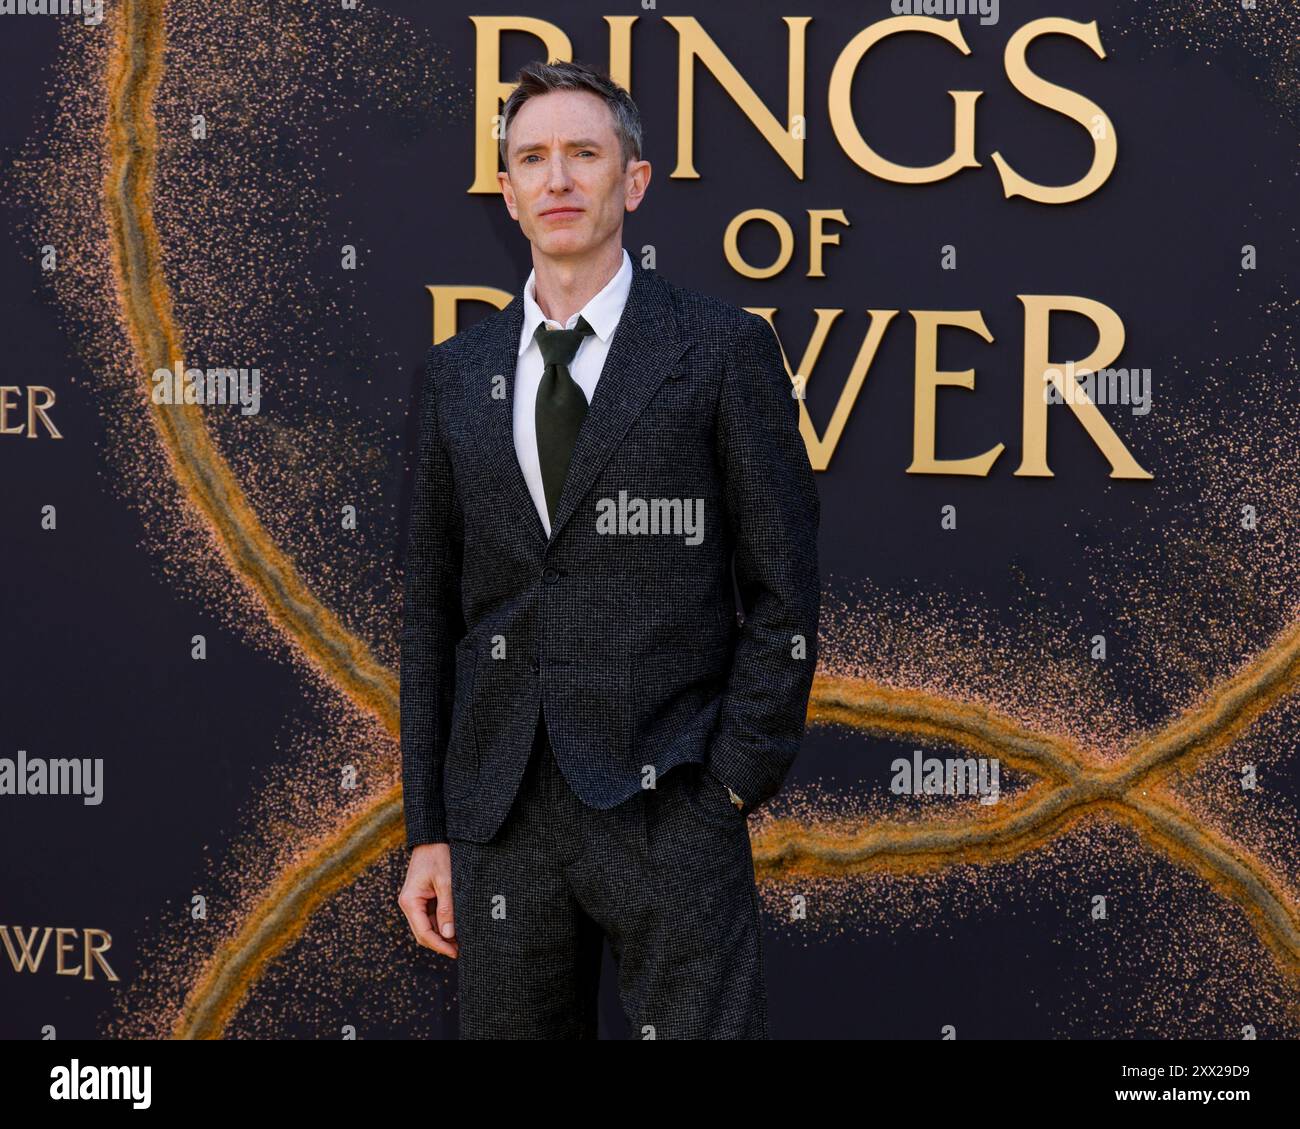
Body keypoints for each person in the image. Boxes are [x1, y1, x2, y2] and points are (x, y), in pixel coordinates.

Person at [397, 57, 820, 1039]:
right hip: (500, 819)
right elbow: (432, 616)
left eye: (582, 154)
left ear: (631, 180)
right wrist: (429, 829)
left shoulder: (718, 350)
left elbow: (783, 592)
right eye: (531, 159)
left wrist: (724, 787)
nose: (556, 179)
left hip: (666, 802)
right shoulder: (456, 377)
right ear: (504, 192)